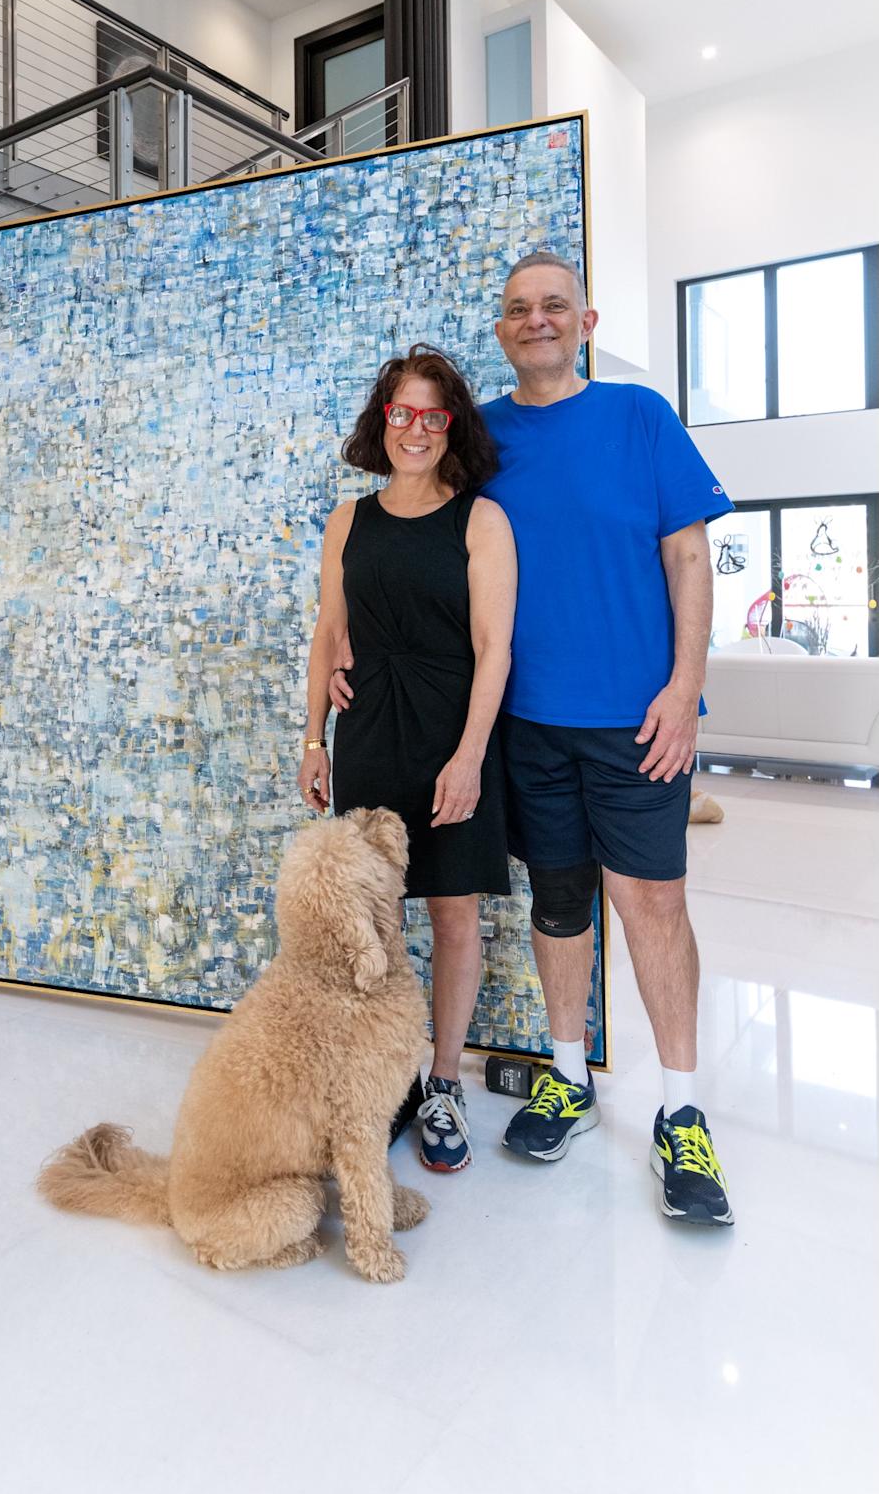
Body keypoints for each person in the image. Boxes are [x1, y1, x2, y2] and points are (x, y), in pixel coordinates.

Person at [333, 253, 734, 1225]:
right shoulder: (480, 438)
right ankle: (567, 1077)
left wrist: (685, 686)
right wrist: (347, 642)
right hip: (525, 724)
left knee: (651, 903)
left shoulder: (639, 417)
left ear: (585, 321)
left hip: (638, 719)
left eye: (555, 305)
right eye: (518, 308)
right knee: (556, 902)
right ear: (501, 329)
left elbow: (688, 552)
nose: (537, 319)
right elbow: (411, 538)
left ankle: (682, 1112)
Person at [298, 346, 517, 1173]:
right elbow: (329, 632)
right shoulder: (348, 520)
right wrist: (313, 738)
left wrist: (469, 758)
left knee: (454, 914)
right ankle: (386, 1079)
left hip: (451, 735)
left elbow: (494, 650)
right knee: (375, 921)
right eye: (401, 413)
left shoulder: (482, 521)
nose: (415, 429)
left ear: (451, 426)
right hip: (368, 735)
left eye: (432, 414)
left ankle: (444, 1084)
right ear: (381, 422)